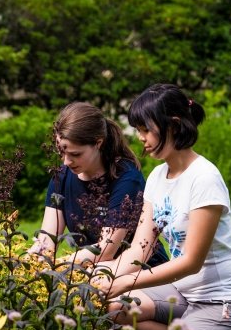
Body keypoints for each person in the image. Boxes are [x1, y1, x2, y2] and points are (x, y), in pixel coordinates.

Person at [98, 83, 231, 330]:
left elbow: (191, 261)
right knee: (113, 311)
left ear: (174, 126)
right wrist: (106, 275)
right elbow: (140, 247)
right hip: (183, 295)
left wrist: (126, 282)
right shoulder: (156, 177)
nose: (141, 138)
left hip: (223, 301)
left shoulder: (204, 179)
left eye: (146, 129)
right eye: (137, 130)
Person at [28, 102, 169, 268]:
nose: (66, 162)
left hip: (138, 272)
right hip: (90, 271)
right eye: (61, 152)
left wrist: (58, 266)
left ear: (98, 143)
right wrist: (34, 258)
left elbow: (105, 250)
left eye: (75, 154)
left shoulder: (127, 179)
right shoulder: (62, 176)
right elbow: (47, 240)